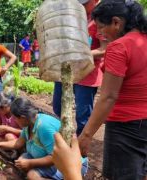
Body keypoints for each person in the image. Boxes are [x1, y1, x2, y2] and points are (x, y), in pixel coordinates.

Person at [78, 1, 147, 179]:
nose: (100, 33)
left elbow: (108, 96)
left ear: (116, 22)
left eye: (101, 27)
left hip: (125, 127)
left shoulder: (119, 47)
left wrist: (86, 135)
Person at [0, 98, 88, 179]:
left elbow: (54, 157)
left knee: (32, 175)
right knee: (22, 160)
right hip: (51, 160)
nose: (15, 121)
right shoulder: (29, 124)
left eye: (15, 118)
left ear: (22, 117)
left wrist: (30, 163)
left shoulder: (43, 127)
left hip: (69, 165)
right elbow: (18, 143)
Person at [52, 0, 108, 136]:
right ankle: (66, 140)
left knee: (83, 117)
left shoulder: (101, 19)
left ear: (95, 1)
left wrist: (80, 54)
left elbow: (105, 49)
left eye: (84, 3)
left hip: (87, 74)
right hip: (66, 71)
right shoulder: (75, 15)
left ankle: (81, 152)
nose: (80, 5)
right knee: (57, 107)